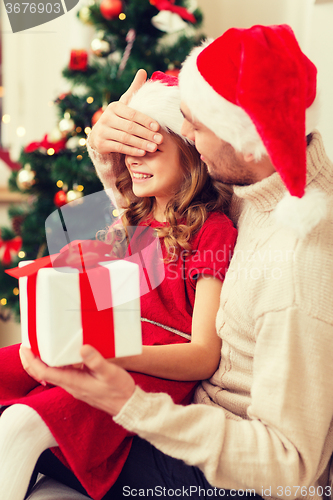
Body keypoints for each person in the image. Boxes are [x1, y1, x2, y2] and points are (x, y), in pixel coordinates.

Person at [21, 24, 333, 500]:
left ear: (244, 137)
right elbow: (164, 223)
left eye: (195, 125)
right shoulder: (251, 185)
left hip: (232, 472)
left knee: (29, 429)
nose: (184, 134)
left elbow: (288, 469)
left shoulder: (297, 265)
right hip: (191, 412)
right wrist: (108, 153)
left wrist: (130, 404)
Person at [0, 72, 236, 500]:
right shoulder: (135, 218)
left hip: (147, 370)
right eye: (127, 151)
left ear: (190, 150)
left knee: (23, 424)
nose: (131, 160)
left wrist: (109, 354)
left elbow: (203, 356)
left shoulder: (211, 231)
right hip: (102, 346)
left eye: (146, 149)